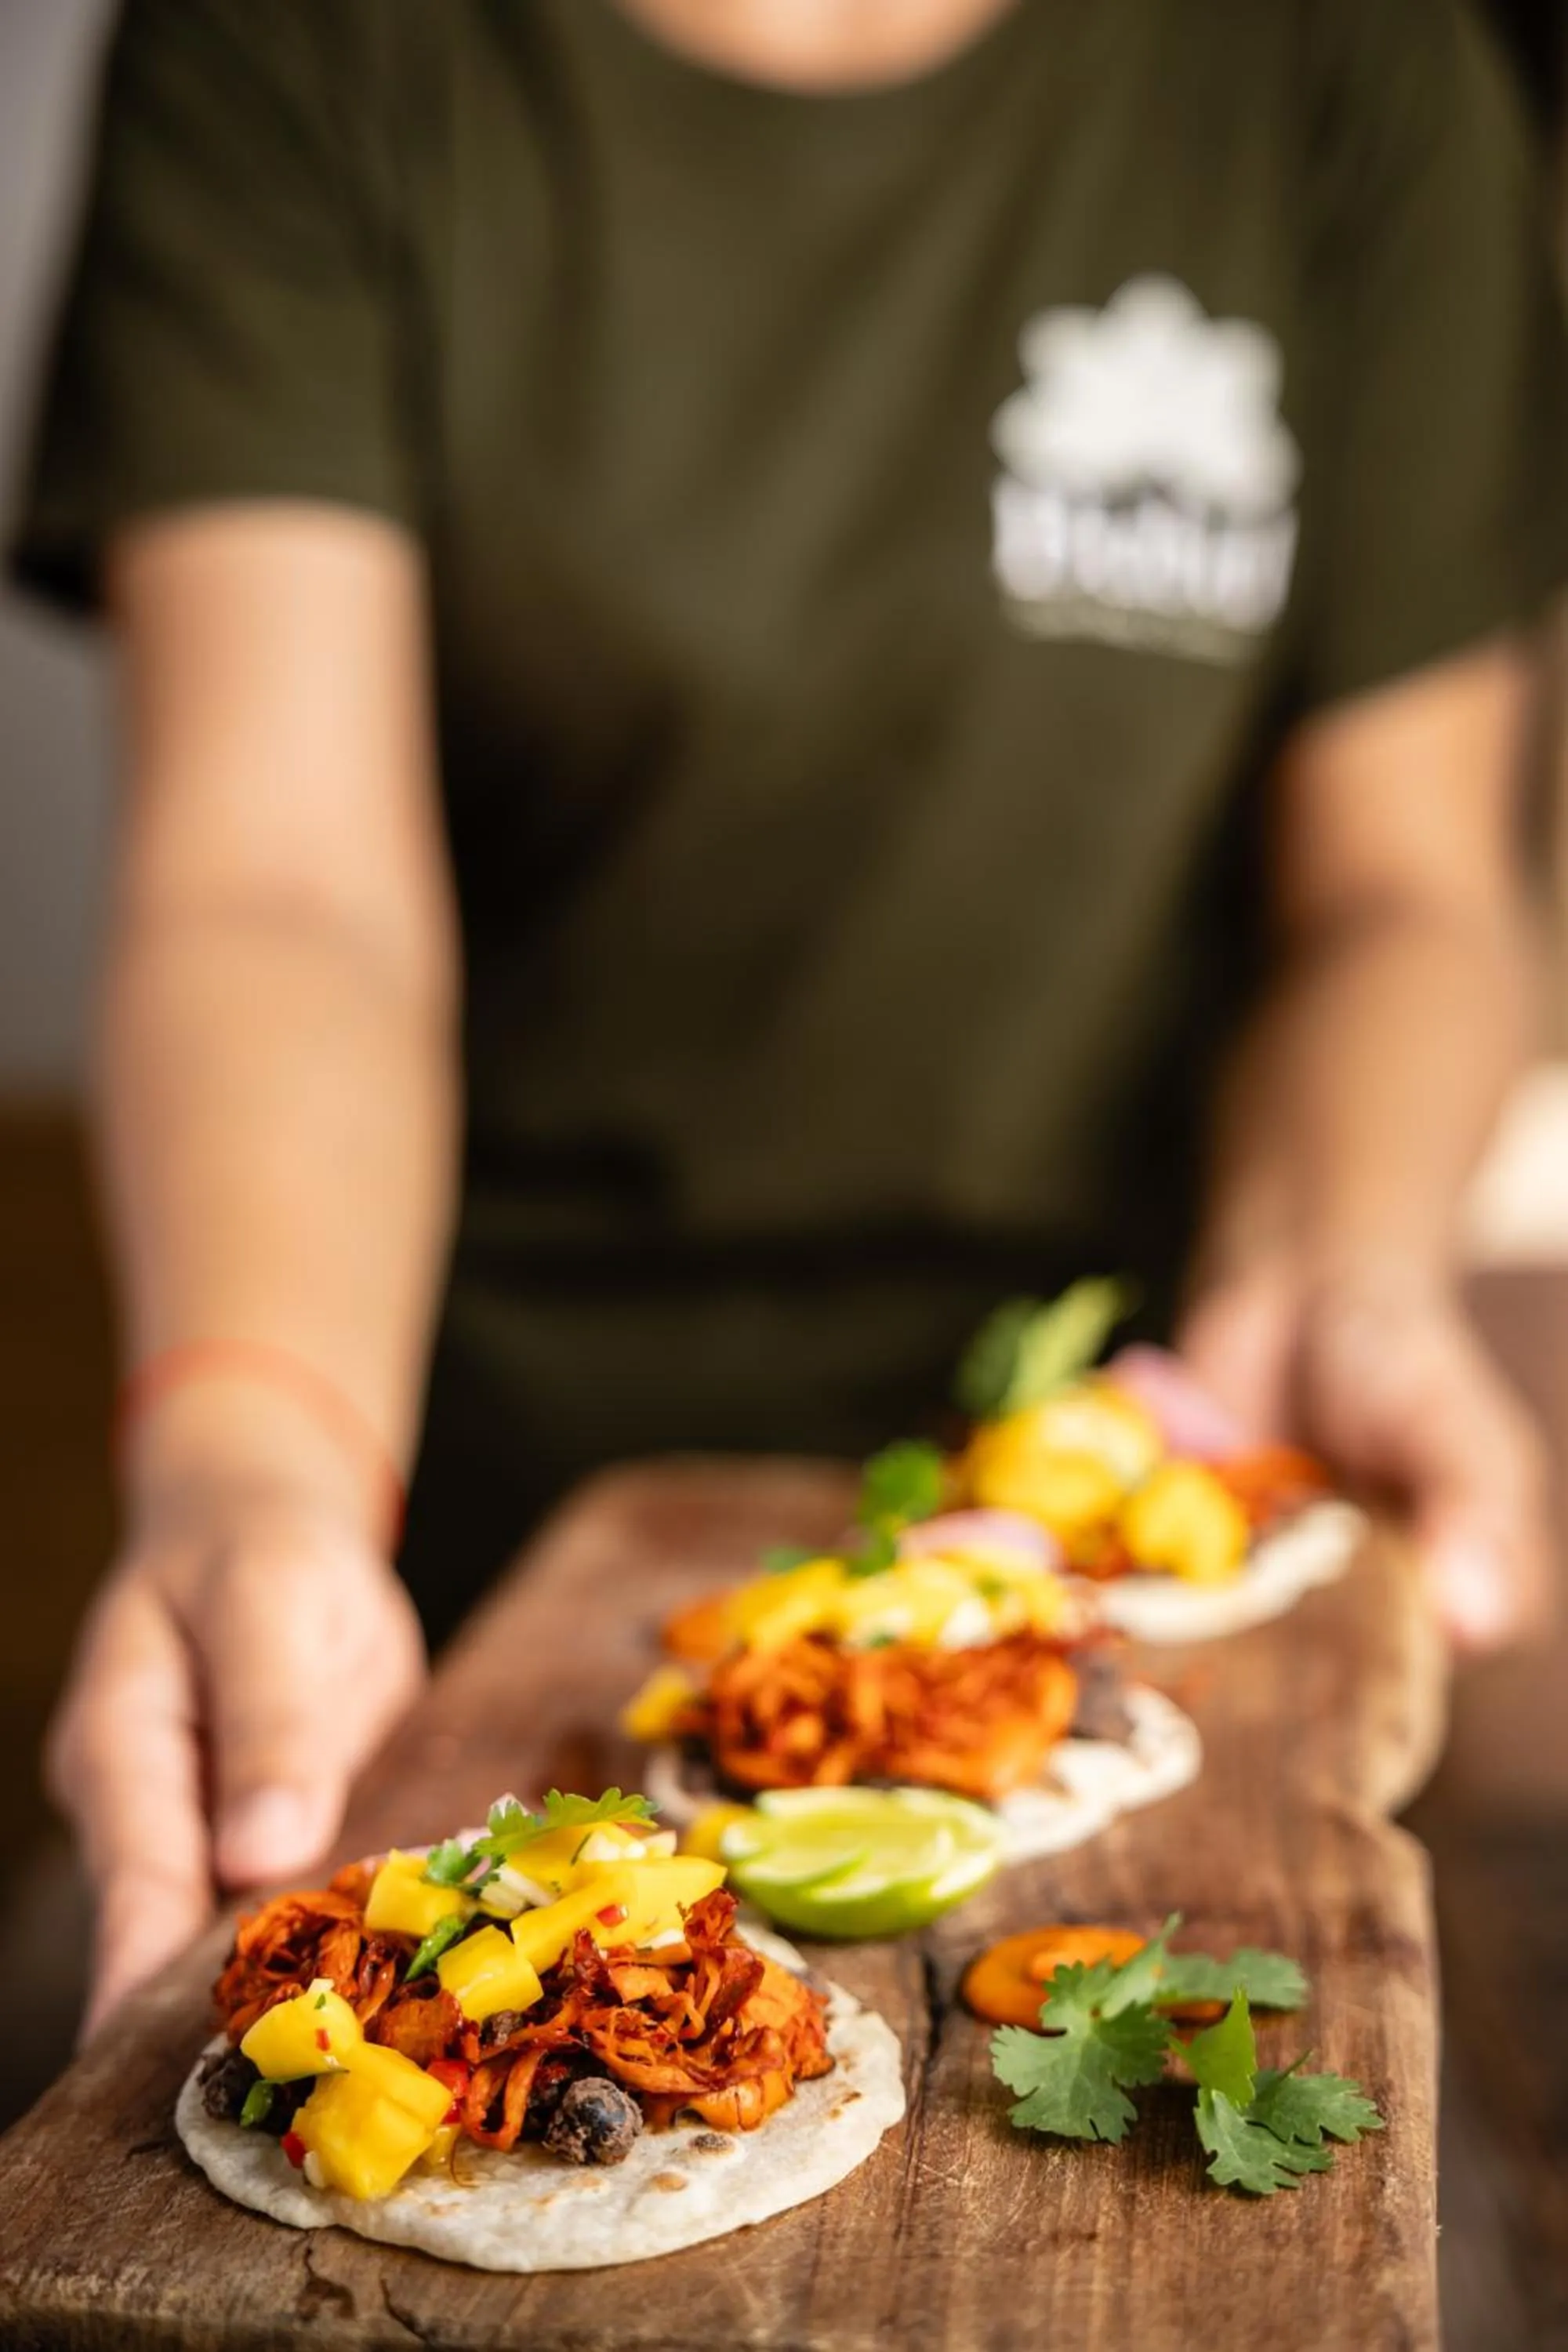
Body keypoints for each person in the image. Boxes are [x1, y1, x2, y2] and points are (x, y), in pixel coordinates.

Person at [12, 0, 1567, 2036]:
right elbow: (282, 888)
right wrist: (253, 1463)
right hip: (452, 1531)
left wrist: (1335, 1265)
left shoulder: (1352, 67)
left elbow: (1407, 887)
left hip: (1134, 1490)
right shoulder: (296, 45)